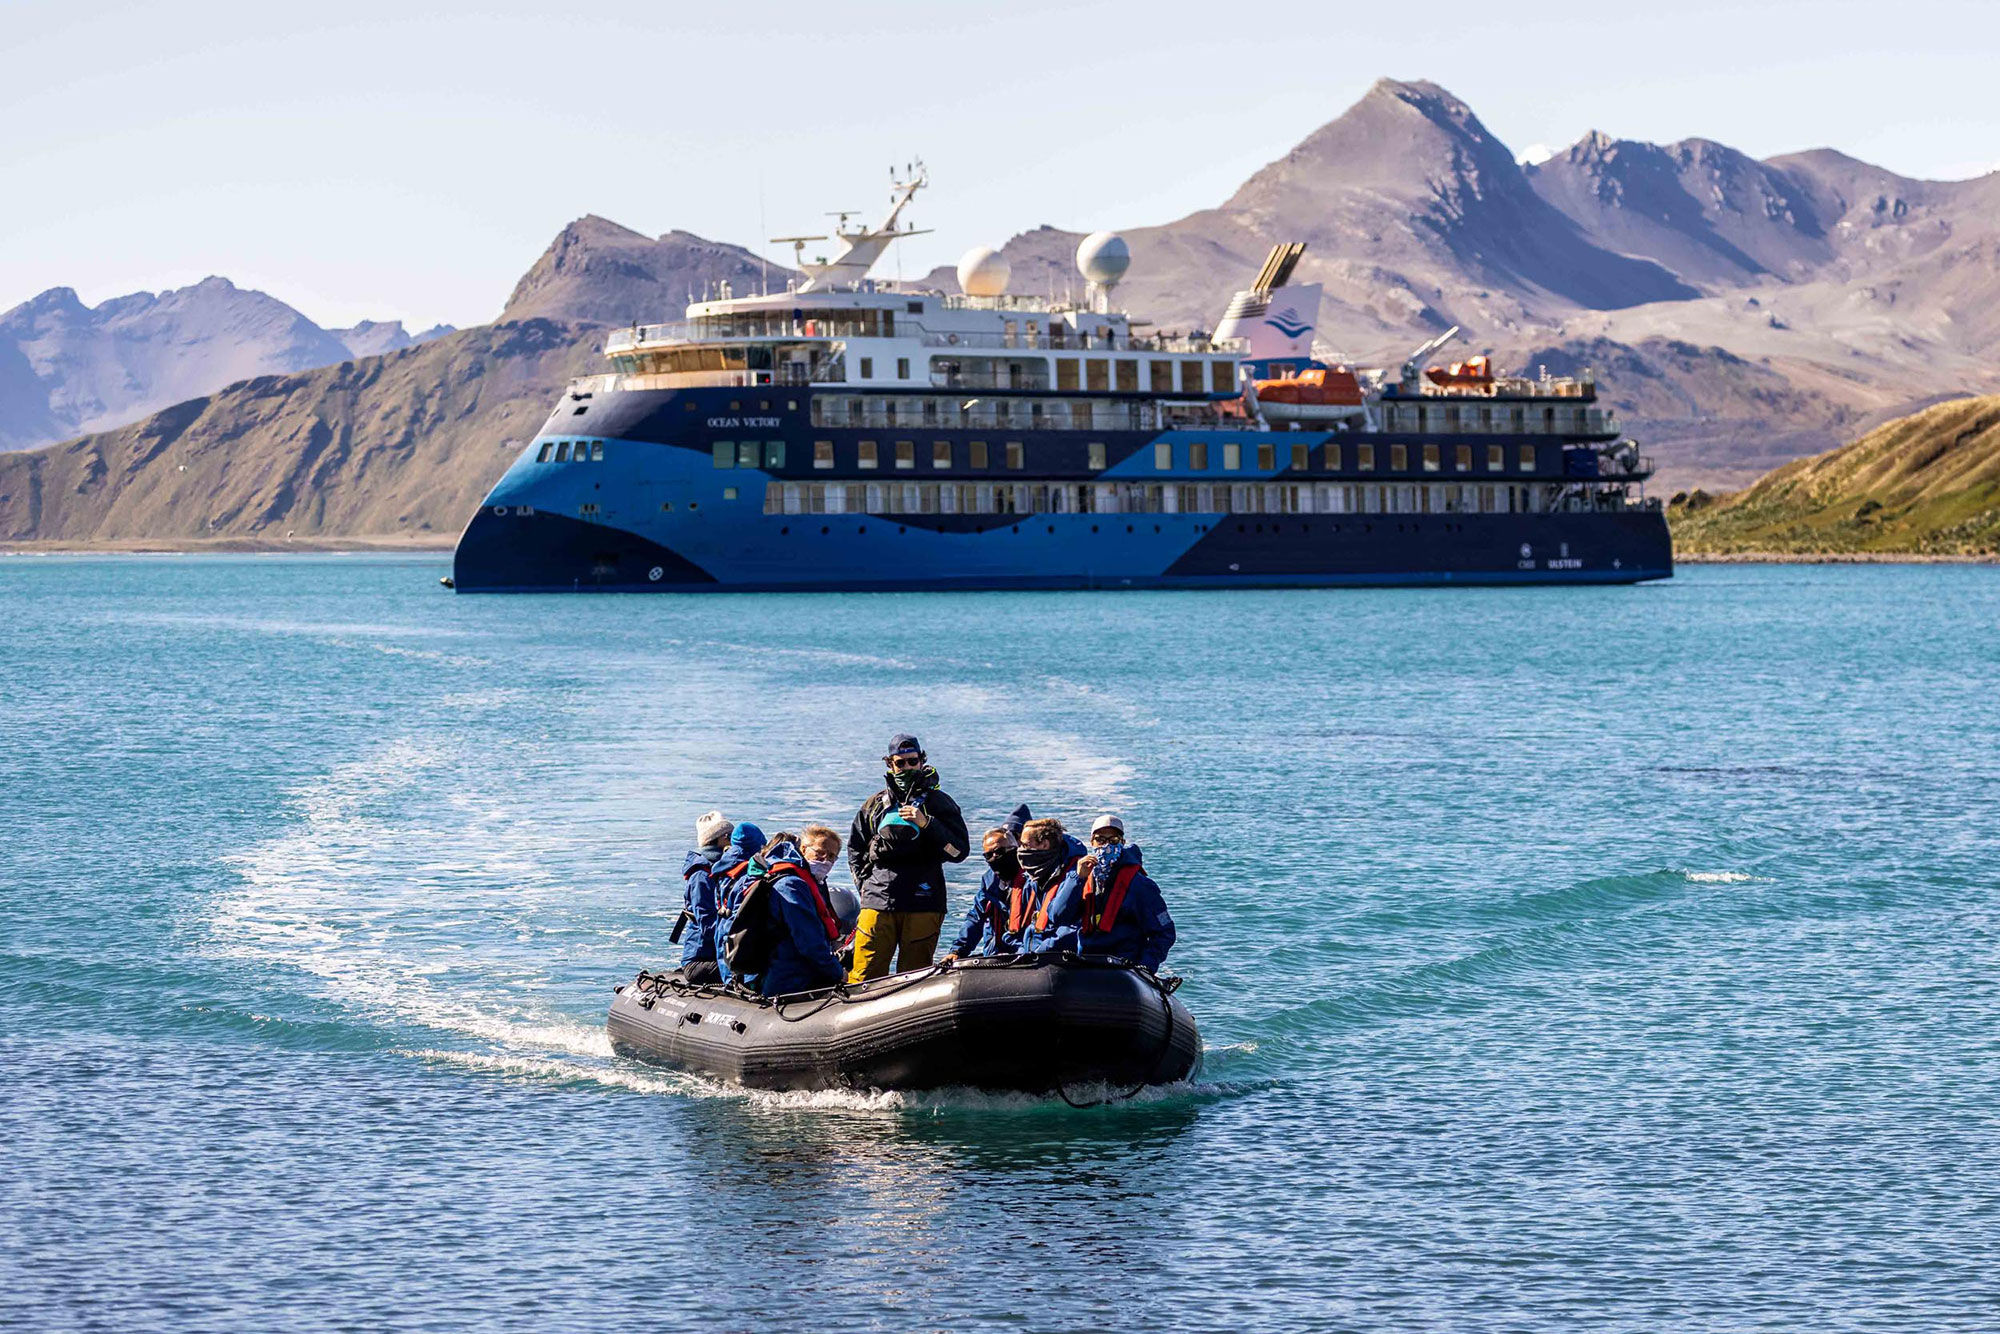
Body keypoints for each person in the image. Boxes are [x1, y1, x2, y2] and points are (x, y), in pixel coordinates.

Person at [846, 734, 969, 983]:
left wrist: (927, 824)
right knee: (864, 974)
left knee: (914, 977)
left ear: (922, 761)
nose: (906, 768)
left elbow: (959, 852)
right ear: (890, 764)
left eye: (912, 762)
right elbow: (855, 850)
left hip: (923, 900)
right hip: (878, 899)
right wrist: (866, 887)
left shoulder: (940, 803)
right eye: (899, 763)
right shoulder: (874, 805)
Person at [1045, 814, 1176, 973]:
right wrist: (1076, 879)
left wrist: (1145, 968)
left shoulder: (1139, 885)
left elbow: (1164, 932)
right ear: (1092, 842)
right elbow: (1056, 917)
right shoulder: (1080, 878)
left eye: (1113, 841)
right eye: (1100, 840)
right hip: (1086, 963)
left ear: (1122, 843)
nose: (1106, 846)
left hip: (1123, 968)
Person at [729, 834, 845, 997]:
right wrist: (838, 972)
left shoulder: (798, 879)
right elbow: (809, 941)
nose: (825, 860)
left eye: (832, 857)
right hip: (788, 980)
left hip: (783, 973)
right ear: (803, 849)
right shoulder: (792, 885)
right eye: (820, 852)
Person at [943, 826, 1024, 962]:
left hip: (1025, 955)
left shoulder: (1032, 881)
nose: (994, 858)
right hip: (996, 955)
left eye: (999, 851)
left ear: (1015, 848)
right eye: (988, 855)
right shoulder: (989, 884)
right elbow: (975, 918)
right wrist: (958, 950)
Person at [1013, 816, 1087, 956]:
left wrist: (1038, 953)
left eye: (1025, 845)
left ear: (1045, 844)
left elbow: (1069, 927)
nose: (1020, 850)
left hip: (1057, 957)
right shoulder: (1036, 877)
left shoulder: (1075, 876)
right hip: (1035, 952)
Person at [676, 809, 733, 984]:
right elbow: (709, 925)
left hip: (715, 955)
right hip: (700, 960)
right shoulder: (701, 876)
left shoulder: (720, 869)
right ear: (720, 838)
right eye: (729, 835)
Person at [709, 821, 766, 987]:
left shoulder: (721, 866)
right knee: (743, 962)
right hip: (740, 928)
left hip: (722, 926)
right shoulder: (749, 870)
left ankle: (730, 985)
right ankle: (748, 987)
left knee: (726, 958)